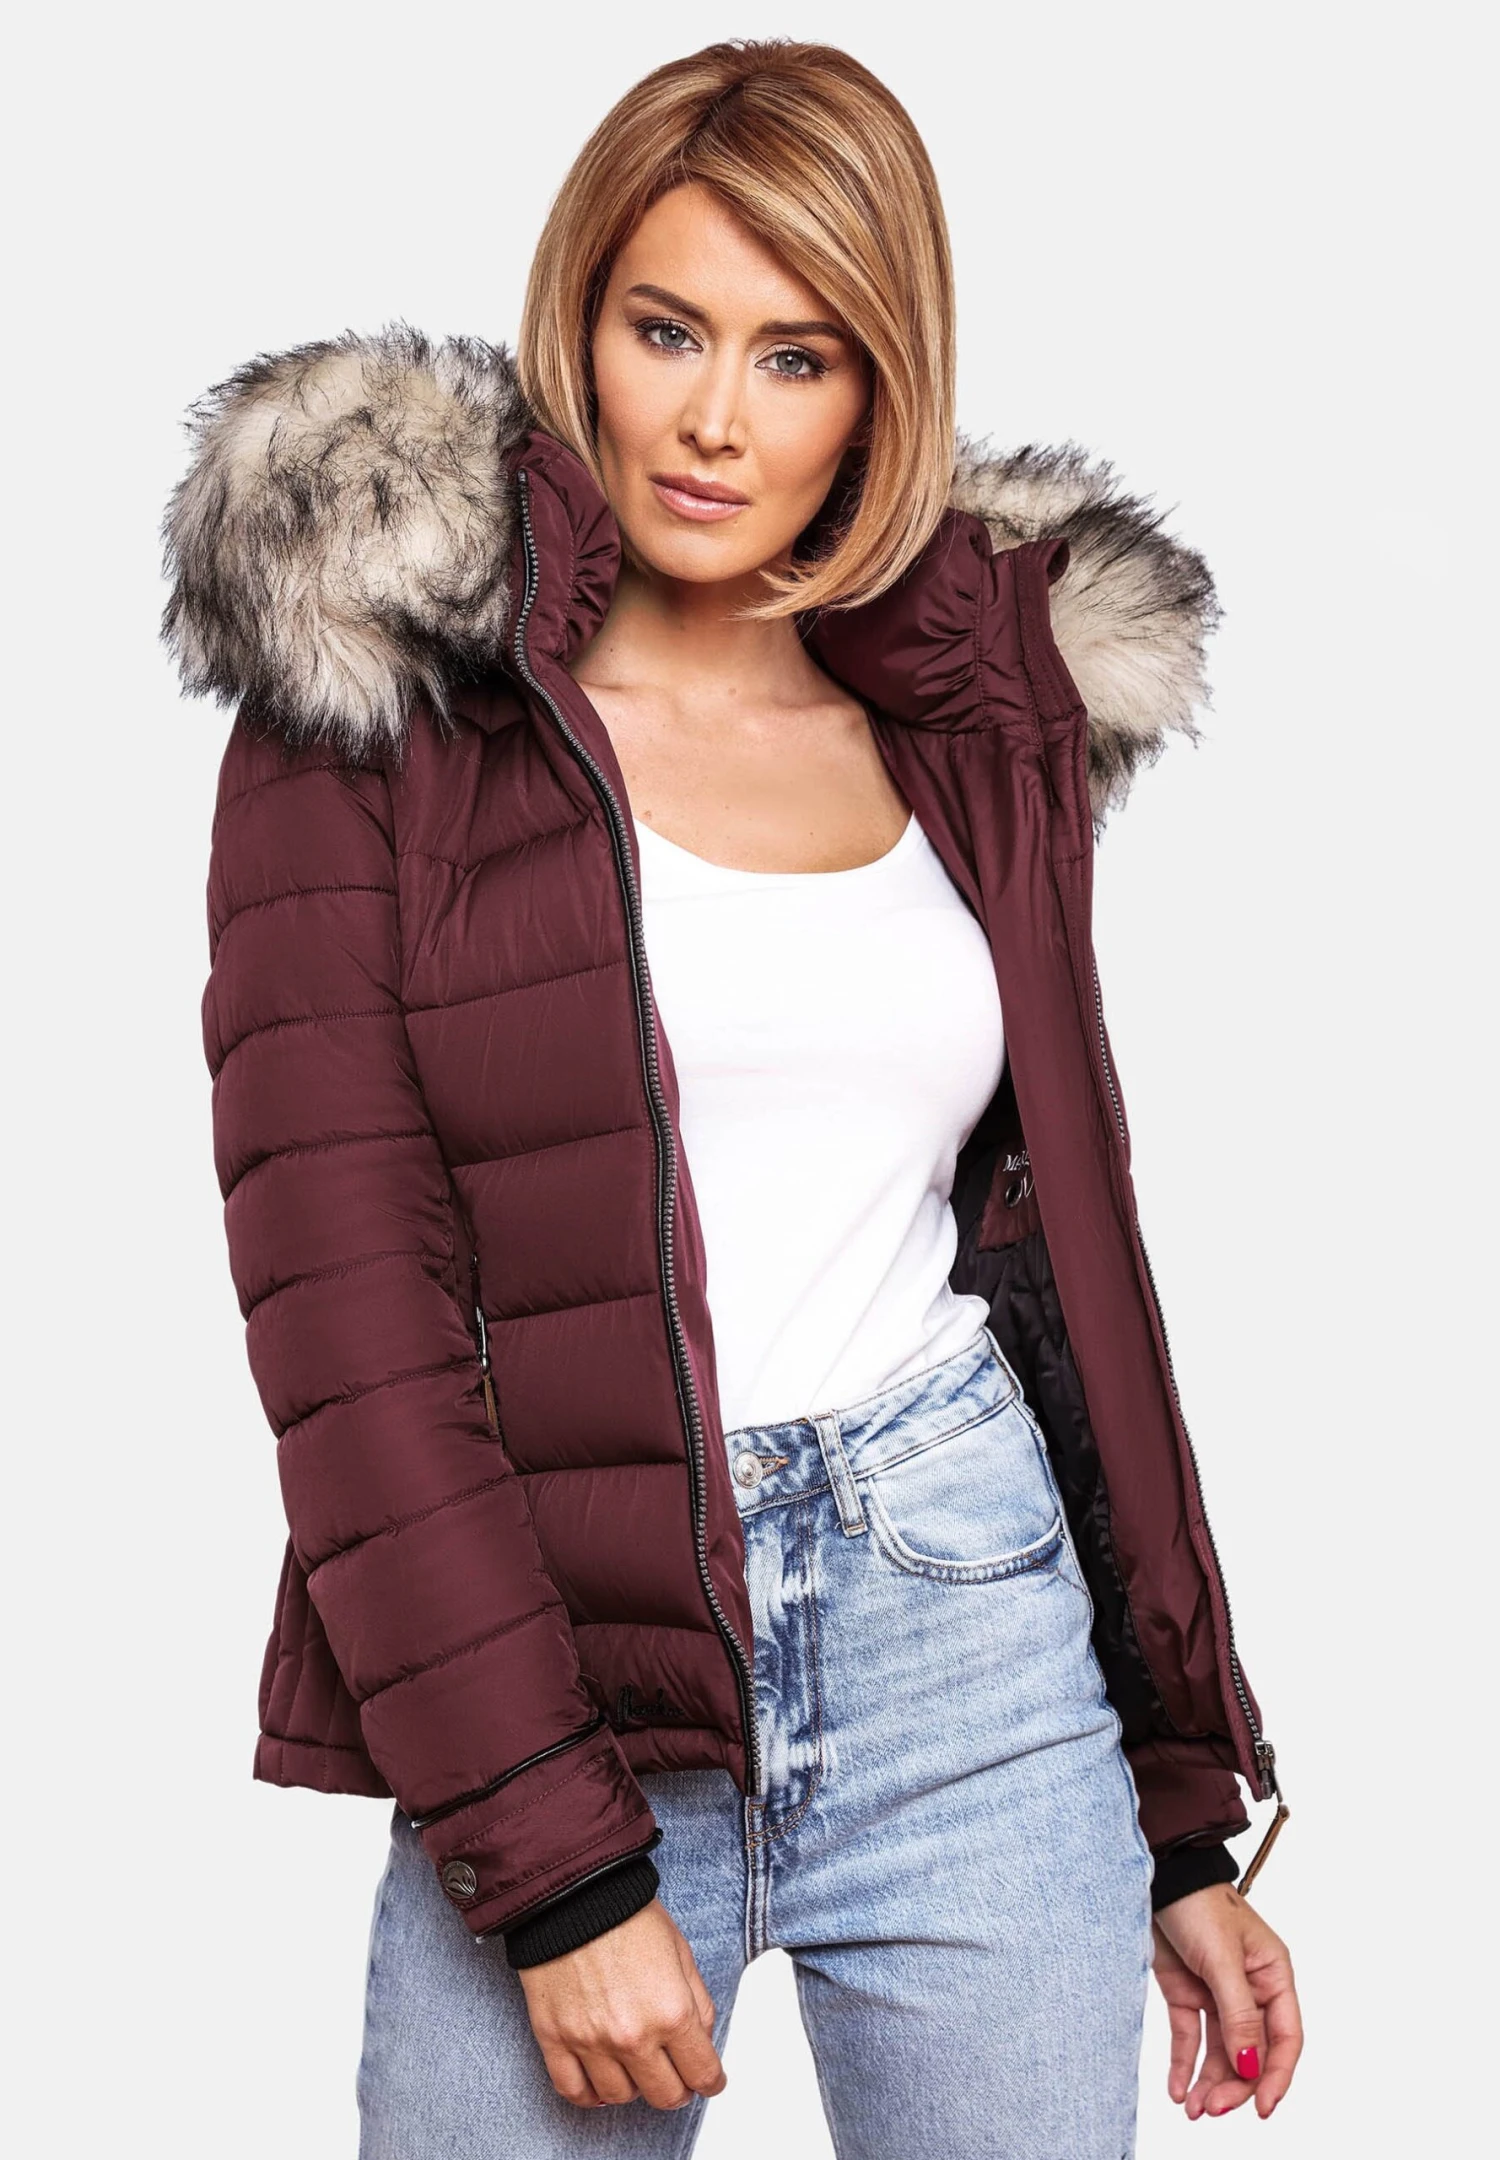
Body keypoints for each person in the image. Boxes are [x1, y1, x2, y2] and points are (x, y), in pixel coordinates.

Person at [161, 36, 1302, 2158]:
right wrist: (552, 1863)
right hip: (566, 1681)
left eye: (799, 357)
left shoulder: (974, 721)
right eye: (666, 328)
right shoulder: (383, 709)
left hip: (975, 1650)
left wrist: (1175, 1820)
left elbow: (1064, 1276)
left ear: (882, 388)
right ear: (579, 318)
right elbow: (344, 1316)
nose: (714, 419)